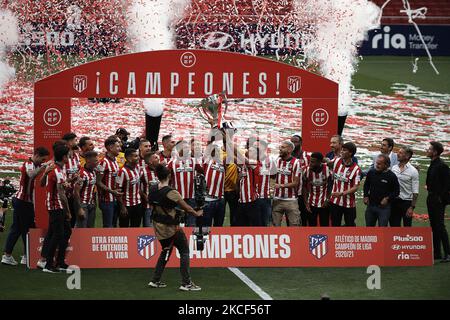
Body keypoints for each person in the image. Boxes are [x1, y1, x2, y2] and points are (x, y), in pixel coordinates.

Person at [148, 164, 203, 291]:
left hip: (158, 226)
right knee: (184, 251)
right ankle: (186, 283)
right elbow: (188, 208)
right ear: (169, 176)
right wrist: (197, 213)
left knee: (166, 250)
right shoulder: (172, 192)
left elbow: (157, 205)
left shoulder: (153, 188)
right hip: (171, 227)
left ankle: (155, 280)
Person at [1, 147, 50, 266]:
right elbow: (31, 174)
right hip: (23, 201)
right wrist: (44, 167)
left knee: (16, 228)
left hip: (22, 200)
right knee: (27, 229)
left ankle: (8, 255)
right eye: (42, 159)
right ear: (37, 155)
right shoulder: (29, 164)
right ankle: (25, 256)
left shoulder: (33, 164)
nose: (42, 162)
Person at [42, 145, 73, 273]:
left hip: (54, 204)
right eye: (69, 154)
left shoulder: (57, 168)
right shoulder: (57, 170)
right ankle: (49, 264)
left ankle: (59, 262)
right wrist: (68, 212)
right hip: (56, 205)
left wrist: (69, 181)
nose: (70, 156)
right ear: (64, 156)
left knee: (64, 232)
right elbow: (61, 194)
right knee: (58, 234)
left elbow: (42, 184)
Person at [168, 140, 202, 227]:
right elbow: (166, 178)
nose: (188, 149)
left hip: (191, 196)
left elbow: (203, 171)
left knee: (192, 223)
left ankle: (191, 239)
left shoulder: (194, 161)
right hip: (177, 198)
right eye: (185, 147)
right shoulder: (172, 162)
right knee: (176, 222)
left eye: (188, 147)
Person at [425, 141, 450, 262]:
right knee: (433, 226)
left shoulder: (442, 165)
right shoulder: (433, 163)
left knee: (439, 226)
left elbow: (448, 184)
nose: (427, 150)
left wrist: (441, 198)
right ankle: (437, 253)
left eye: (429, 149)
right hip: (431, 198)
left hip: (437, 200)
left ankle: (448, 253)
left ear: (435, 152)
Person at [328, 142, 361, 226]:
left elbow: (356, 187)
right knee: (335, 225)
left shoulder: (356, 169)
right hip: (335, 202)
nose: (341, 151)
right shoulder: (337, 160)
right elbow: (327, 163)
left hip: (349, 203)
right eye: (342, 150)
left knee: (350, 226)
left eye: (344, 150)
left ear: (350, 153)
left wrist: (342, 193)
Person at [364, 154, 400, 227]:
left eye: (379, 164)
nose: (377, 165)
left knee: (382, 230)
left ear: (386, 165)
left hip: (384, 208)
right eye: (376, 163)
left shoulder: (392, 176)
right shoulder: (371, 172)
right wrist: (365, 196)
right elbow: (366, 185)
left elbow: (397, 191)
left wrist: (387, 198)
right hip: (371, 206)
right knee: (368, 229)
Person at [272, 140, 301, 226]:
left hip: (291, 200)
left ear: (290, 150)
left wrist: (280, 185)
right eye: (280, 147)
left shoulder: (296, 162)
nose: (280, 149)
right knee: (275, 225)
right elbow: (272, 177)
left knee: (294, 225)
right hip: (277, 198)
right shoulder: (276, 160)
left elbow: (296, 182)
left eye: (283, 147)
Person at [97, 137, 123, 228]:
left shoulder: (115, 161)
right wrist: (112, 191)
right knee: (108, 226)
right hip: (107, 200)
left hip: (115, 199)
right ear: (111, 148)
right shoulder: (103, 162)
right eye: (117, 147)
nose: (120, 149)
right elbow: (98, 182)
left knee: (114, 224)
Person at [390, 147, 419, 227]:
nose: (397, 154)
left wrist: (412, 207)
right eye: (398, 152)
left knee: (407, 227)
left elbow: (415, 192)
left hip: (406, 202)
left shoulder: (413, 171)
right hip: (394, 201)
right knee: (394, 226)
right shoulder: (394, 168)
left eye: (400, 153)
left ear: (407, 156)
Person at [304, 152, 333, 226]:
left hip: (324, 203)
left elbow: (331, 186)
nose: (310, 163)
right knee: (312, 226)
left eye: (313, 162)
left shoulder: (327, 169)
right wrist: (306, 203)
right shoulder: (306, 170)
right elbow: (304, 187)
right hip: (311, 203)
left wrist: (327, 199)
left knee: (324, 225)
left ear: (320, 162)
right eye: (310, 161)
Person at [117, 148, 143, 227]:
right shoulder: (121, 171)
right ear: (128, 158)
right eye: (135, 156)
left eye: (138, 156)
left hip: (138, 204)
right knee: (124, 229)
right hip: (127, 206)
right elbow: (118, 191)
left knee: (136, 228)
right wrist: (122, 207)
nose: (138, 158)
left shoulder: (137, 168)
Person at [202, 142, 226, 227]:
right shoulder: (207, 160)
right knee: (206, 225)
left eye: (218, 150)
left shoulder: (223, 163)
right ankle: (207, 240)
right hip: (208, 198)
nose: (216, 151)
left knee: (219, 226)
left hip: (220, 199)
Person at [236, 147, 261, 226]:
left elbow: (239, 156)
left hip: (251, 201)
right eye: (248, 150)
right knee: (241, 226)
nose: (248, 151)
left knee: (253, 226)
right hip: (241, 201)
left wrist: (229, 142)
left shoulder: (255, 163)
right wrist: (238, 178)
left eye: (251, 150)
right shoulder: (242, 165)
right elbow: (238, 183)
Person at [290, 134, 310, 226]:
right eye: (291, 142)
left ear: (301, 143)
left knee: (303, 217)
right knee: (290, 218)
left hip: (303, 193)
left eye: (295, 142)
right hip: (290, 193)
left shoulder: (307, 157)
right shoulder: (287, 157)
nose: (293, 144)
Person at [75, 151, 98, 228]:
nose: (97, 162)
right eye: (95, 161)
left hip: (91, 204)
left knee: (90, 228)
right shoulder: (82, 174)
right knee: (82, 228)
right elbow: (76, 191)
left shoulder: (93, 172)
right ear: (88, 160)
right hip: (83, 204)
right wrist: (80, 208)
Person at [62, 132, 80, 228]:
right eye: (75, 140)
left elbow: (78, 170)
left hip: (75, 193)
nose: (76, 142)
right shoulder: (63, 157)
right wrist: (70, 180)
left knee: (73, 220)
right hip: (64, 193)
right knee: (65, 220)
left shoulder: (76, 156)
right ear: (68, 142)